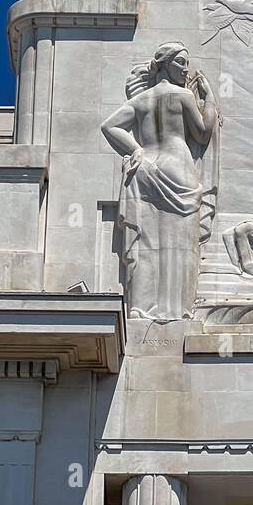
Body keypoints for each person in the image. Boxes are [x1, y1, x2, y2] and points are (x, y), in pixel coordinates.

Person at [100, 43, 218, 320]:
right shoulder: (183, 95)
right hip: (178, 168)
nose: (186, 69)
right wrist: (210, 99)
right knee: (180, 243)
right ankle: (176, 308)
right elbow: (202, 133)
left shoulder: (142, 99)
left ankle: (142, 307)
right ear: (165, 64)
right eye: (180, 62)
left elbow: (109, 126)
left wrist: (135, 149)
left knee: (148, 242)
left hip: (147, 169)